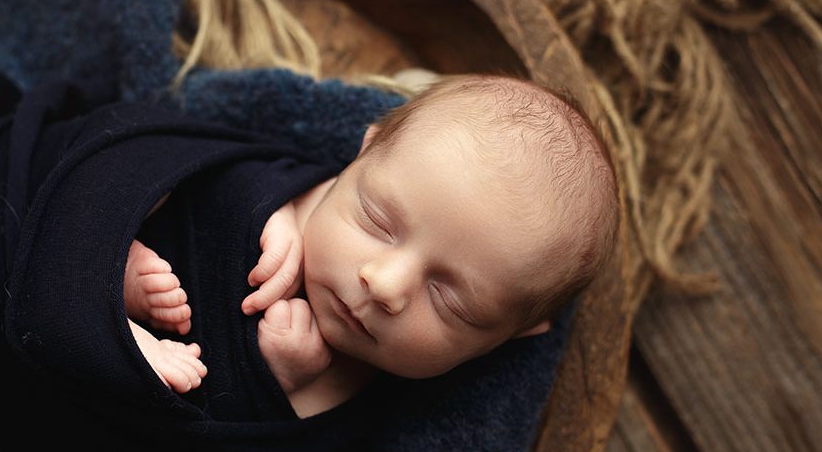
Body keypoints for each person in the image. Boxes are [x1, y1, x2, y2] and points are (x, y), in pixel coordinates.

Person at [124, 74, 619, 418]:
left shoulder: (357, 394)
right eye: (377, 221)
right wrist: (265, 203)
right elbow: (179, 151)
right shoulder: (286, 186)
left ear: (511, 334)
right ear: (363, 153)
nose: (384, 284)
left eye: (451, 303)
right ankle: (108, 273)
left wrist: (274, 379)